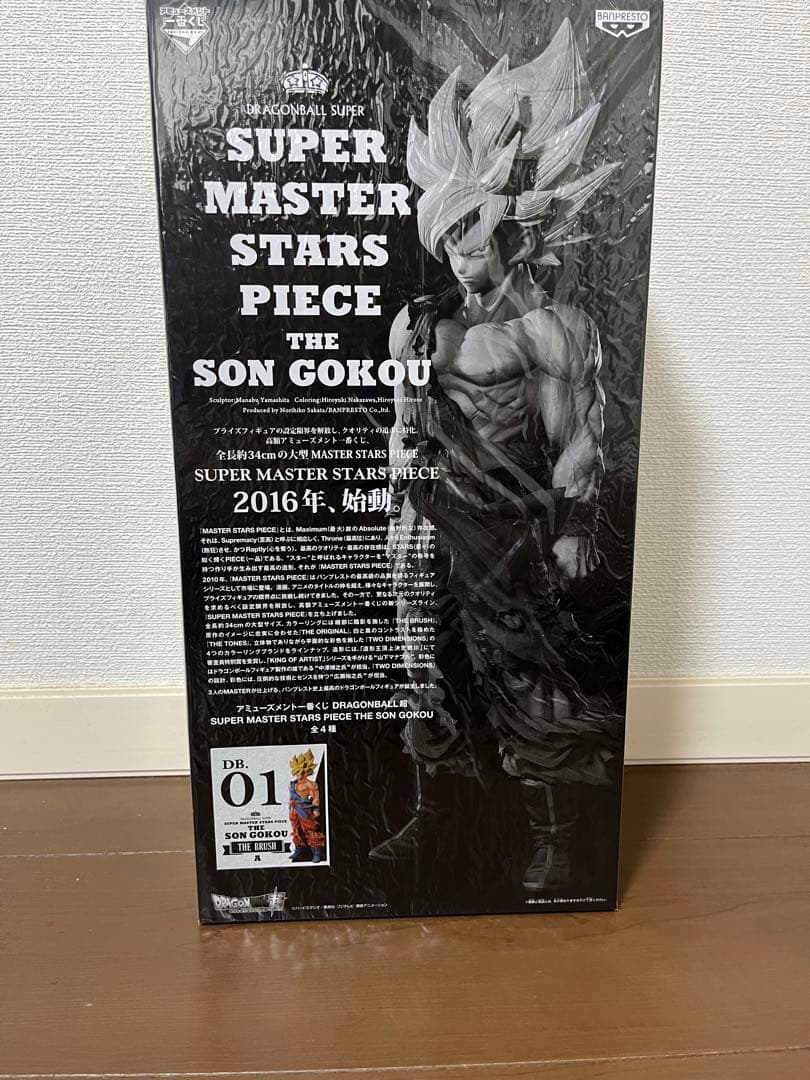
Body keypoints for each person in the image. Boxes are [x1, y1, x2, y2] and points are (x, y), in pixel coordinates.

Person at [370, 20, 622, 892]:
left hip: (510, 523)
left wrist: (575, 524)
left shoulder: (553, 328)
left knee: (527, 669)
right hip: (432, 516)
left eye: (473, 226)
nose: (460, 248)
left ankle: (554, 838)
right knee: (423, 662)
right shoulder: (419, 326)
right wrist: (399, 510)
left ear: (513, 221)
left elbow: (580, 435)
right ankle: (435, 818)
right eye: (447, 234)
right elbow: (403, 429)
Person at [288, 749, 326, 864]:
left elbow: (315, 798)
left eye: (299, 771)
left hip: (304, 810)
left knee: (310, 830)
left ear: (305, 771)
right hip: (293, 809)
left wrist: (316, 809)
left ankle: (316, 854)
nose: (296, 774)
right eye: (295, 772)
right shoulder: (293, 784)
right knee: (296, 830)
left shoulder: (310, 784)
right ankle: (298, 851)